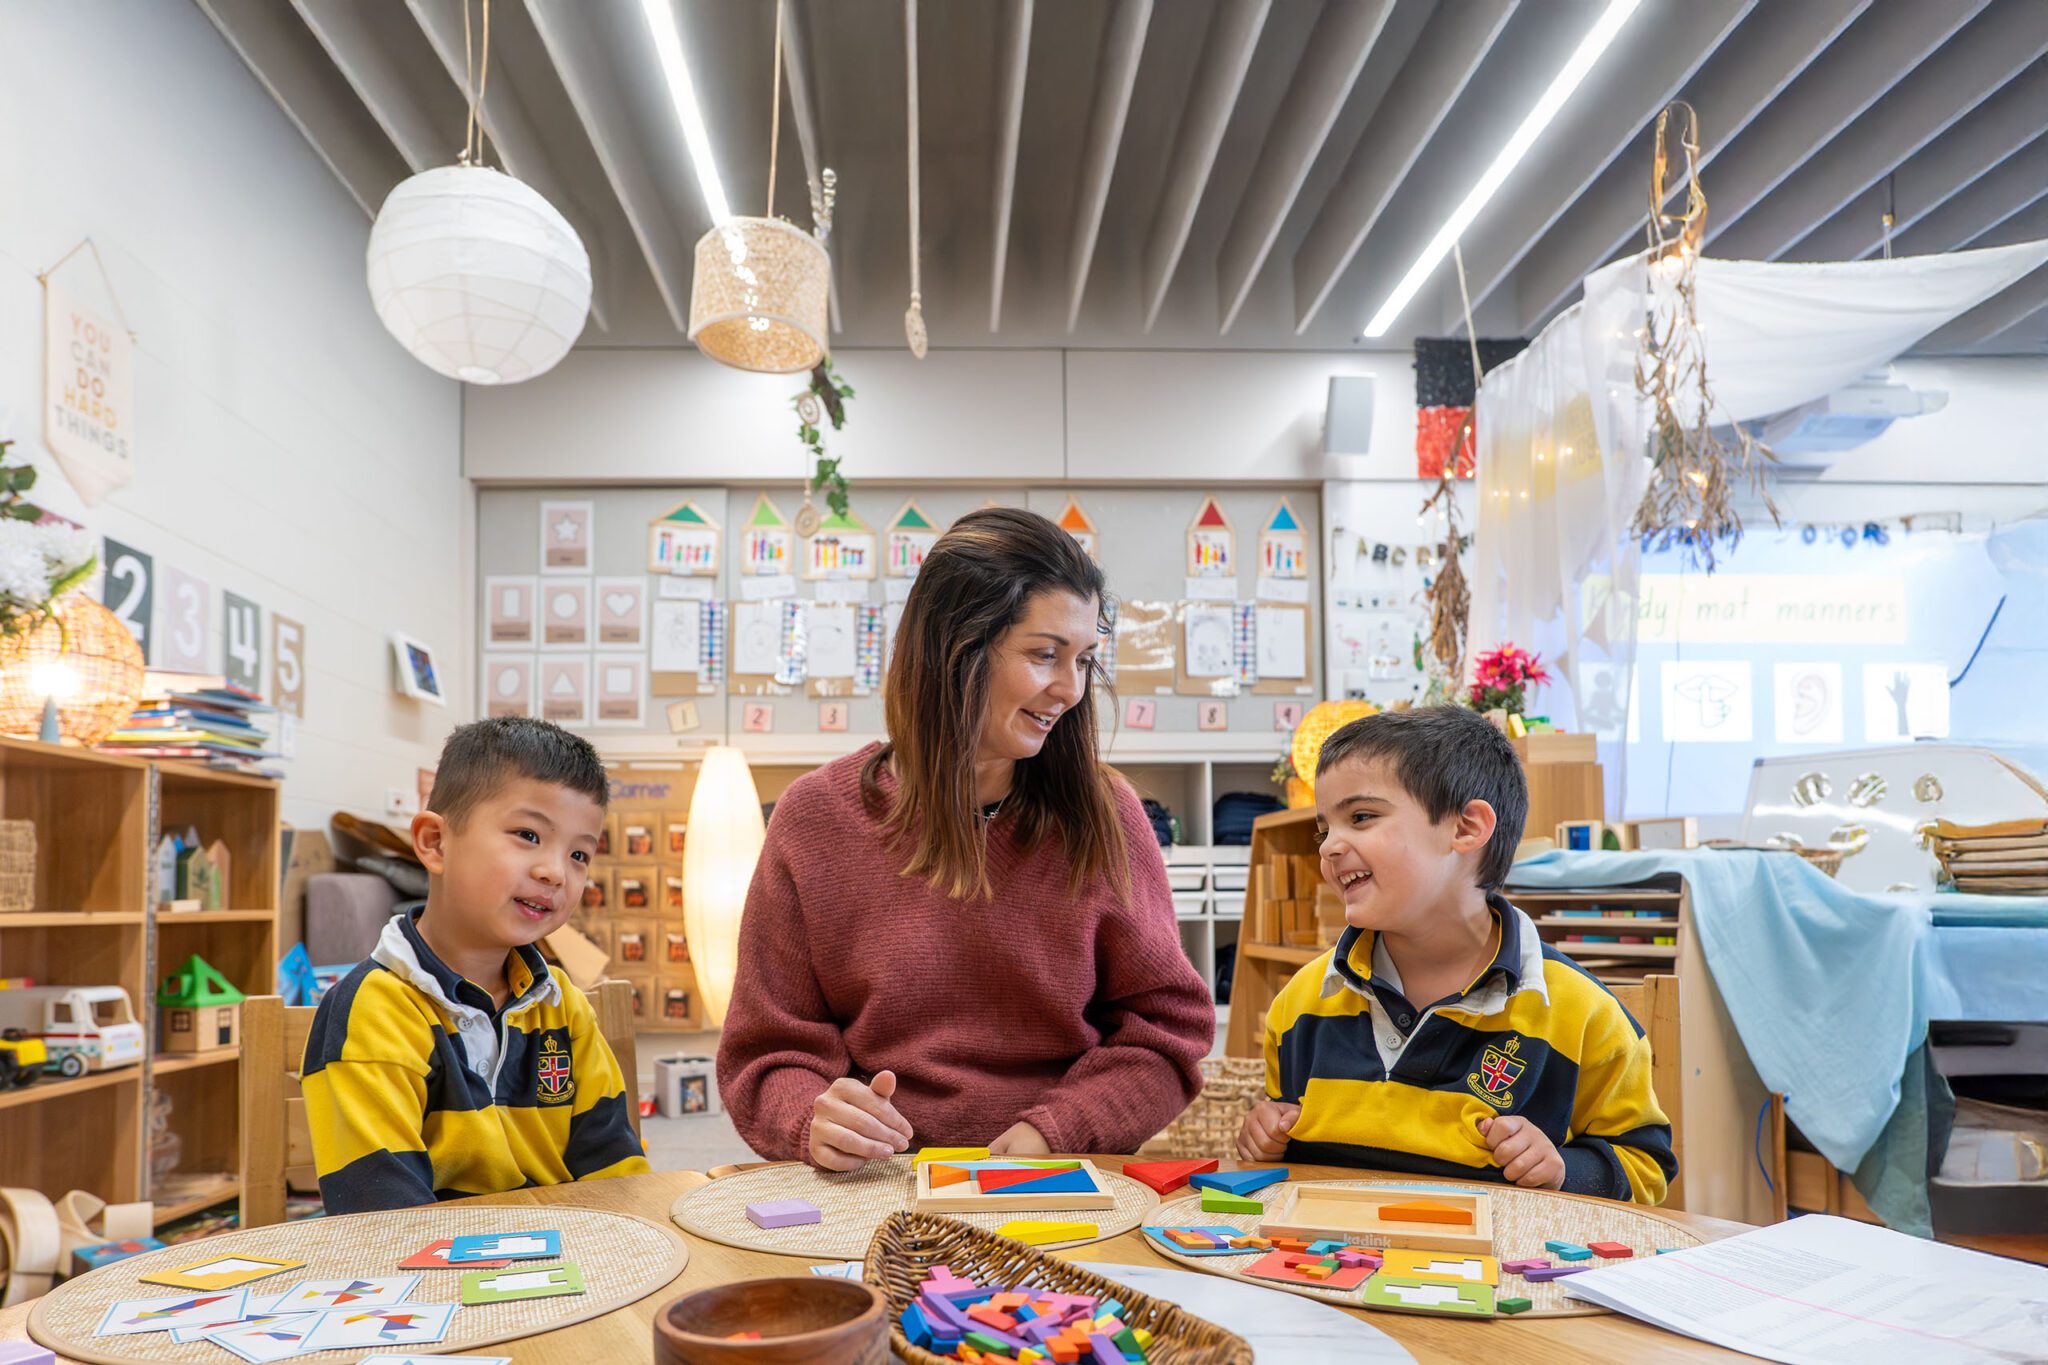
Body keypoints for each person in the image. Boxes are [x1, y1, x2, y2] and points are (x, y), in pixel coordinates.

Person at [718, 507, 1215, 1169]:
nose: (1069, 690)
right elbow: (767, 1052)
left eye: (1085, 660)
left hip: (1054, 1176)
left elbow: (1166, 1033)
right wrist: (814, 1118)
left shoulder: (1106, 815)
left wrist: (1059, 1130)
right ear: (955, 648)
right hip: (875, 1182)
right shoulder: (814, 819)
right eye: (1044, 655)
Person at [1239, 707, 1675, 1204]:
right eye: (1325, 829)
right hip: (1326, 1270)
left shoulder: (1582, 1015)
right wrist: (1267, 1137)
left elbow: (1646, 1169)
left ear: (1466, 828)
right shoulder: (1300, 1004)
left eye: (1361, 817)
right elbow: (1290, 1153)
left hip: (1495, 1275)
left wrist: (1562, 1170)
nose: (1330, 847)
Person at [302, 717, 650, 1212]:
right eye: (528, 835)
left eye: (578, 854)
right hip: (428, 1273)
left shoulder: (564, 1007)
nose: (555, 871)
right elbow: (381, 1214)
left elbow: (616, 1173)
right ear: (435, 843)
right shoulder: (372, 1011)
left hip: (569, 1262)